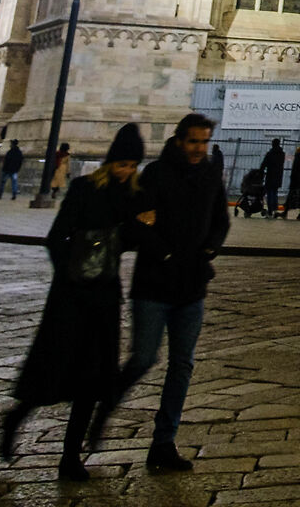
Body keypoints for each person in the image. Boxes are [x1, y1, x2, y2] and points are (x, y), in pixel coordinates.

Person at [0, 123, 152, 483]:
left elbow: (131, 241)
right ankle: (16, 418)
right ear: (109, 161)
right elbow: (56, 237)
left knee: (93, 379)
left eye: (132, 165)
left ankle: (70, 458)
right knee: (54, 367)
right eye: (121, 163)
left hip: (105, 294)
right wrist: (69, 274)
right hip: (70, 295)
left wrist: (141, 225)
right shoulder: (85, 188)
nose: (126, 170)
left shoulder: (134, 196)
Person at [104, 112, 228, 472]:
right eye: (193, 141)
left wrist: (209, 250)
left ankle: (163, 442)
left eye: (204, 142)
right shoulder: (156, 174)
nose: (199, 148)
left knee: (182, 365)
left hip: (192, 286)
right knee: (143, 359)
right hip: (155, 284)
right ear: (179, 140)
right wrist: (167, 252)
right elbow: (139, 223)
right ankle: (105, 403)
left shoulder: (210, 173)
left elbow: (221, 220)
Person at [258, 139, 286, 217]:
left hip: (270, 175)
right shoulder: (282, 154)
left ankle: (270, 210)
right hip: (278, 176)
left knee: (270, 193)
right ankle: (274, 209)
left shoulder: (270, 154)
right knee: (275, 192)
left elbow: (264, 164)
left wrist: (260, 172)